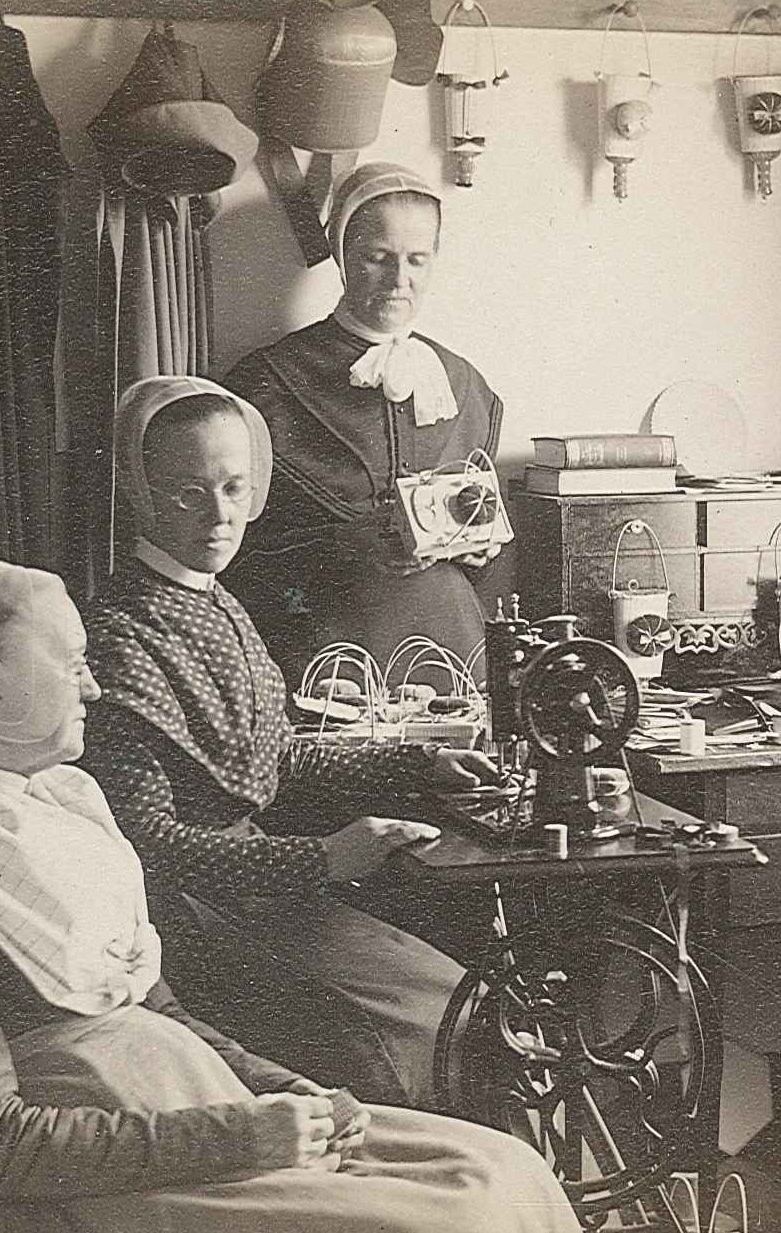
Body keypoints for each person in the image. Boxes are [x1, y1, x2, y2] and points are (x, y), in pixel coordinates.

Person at [0, 561, 575, 1232]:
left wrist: (293, 1092)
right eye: (74, 664)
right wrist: (242, 1137)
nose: (93, 686)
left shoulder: (59, 800)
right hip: (125, 1172)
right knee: (457, 1217)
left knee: (502, 1167)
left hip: (197, 1110)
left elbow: (159, 1011)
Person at [79, 374, 489, 1107]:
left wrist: (421, 758)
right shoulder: (120, 631)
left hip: (256, 890)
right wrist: (324, 857)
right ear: (139, 492)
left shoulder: (216, 601)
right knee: (438, 1014)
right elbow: (144, 841)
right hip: (192, 919)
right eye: (187, 493)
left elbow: (275, 756)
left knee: (463, 989)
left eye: (234, 489)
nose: (218, 515)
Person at [220, 162, 505, 680]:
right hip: (325, 659)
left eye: (418, 260)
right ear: (343, 255)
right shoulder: (268, 384)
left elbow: (485, 563)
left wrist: (478, 549)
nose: (401, 280)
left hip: (458, 656)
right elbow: (230, 558)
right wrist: (340, 547)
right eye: (379, 258)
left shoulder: (468, 387)